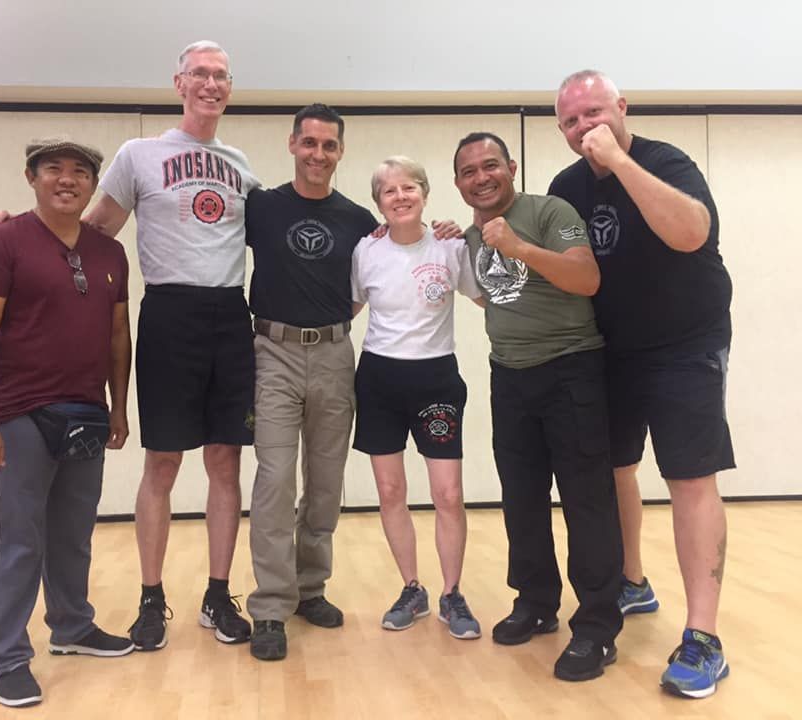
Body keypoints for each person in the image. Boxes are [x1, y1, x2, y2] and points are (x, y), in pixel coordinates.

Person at [0, 40, 259, 650]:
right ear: (179, 82)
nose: (211, 84)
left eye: (221, 76)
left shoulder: (241, 164)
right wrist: (10, 225)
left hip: (231, 316)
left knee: (225, 462)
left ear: (229, 88)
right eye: (200, 74)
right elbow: (87, 229)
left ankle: (216, 594)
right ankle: (151, 599)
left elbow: (285, 234)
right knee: (163, 462)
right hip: (171, 314)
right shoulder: (140, 155)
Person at [549, 70, 733, 698]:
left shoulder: (665, 161)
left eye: (594, 112)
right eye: (571, 121)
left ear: (621, 108)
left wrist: (618, 162)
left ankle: (703, 638)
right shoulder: (565, 187)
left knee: (688, 477)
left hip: (686, 344)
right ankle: (633, 581)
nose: (584, 128)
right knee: (614, 467)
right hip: (610, 350)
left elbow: (690, 233)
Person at [0, 138, 134, 708]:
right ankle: (6, 656)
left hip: (85, 412)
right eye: (53, 169)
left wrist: (117, 405)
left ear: (92, 184)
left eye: (80, 171)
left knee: (72, 532)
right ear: (31, 177)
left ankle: (72, 626)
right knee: (17, 539)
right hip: (19, 414)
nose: (67, 179)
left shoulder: (110, 253)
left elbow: (116, 336)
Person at [453, 132, 623, 681]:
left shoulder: (550, 210)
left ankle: (597, 627)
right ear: (459, 184)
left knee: (585, 500)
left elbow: (587, 277)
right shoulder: (472, 237)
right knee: (521, 498)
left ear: (512, 167)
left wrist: (518, 247)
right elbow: (488, 296)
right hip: (510, 375)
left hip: (571, 369)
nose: (482, 177)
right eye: (470, 171)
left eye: (491, 165)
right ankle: (536, 602)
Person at [244, 104, 379, 660]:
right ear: (292, 144)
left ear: (340, 152)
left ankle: (310, 588)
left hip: (333, 354)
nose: (318, 154)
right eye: (309, 143)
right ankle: (272, 606)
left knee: (325, 481)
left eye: (329, 145)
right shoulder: (262, 207)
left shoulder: (356, 219)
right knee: (275, 480)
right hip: (272, 352)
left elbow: (395, 255)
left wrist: (442, 228)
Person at [351, 156, 485, 641]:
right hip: (379, 379)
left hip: (436, 381)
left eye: (410, 188)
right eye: (390, 191)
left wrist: (476, 236)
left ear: (425, 194)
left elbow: (487, 296)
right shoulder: (365, 251)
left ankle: (452, 594)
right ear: (379, 203)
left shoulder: (449, 247)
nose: (401, 197)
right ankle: (412, 588)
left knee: (448, 494)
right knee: (391, 492)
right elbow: (347, 307)